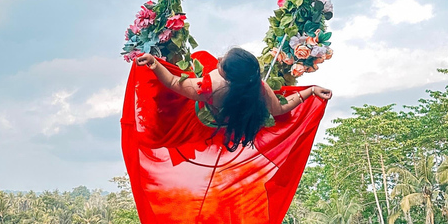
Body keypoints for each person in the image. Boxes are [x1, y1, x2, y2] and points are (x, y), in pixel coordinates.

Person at [135, 46, 333, 151]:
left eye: (222, 64)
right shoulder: (258, 87)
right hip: (233, 121)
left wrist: (155, 63)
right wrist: (310, 91)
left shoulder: (206, 89)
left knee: (202, 57)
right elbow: (279, 110)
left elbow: (171, 82)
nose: (219, 60)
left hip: (199, 124)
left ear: (229, 77)